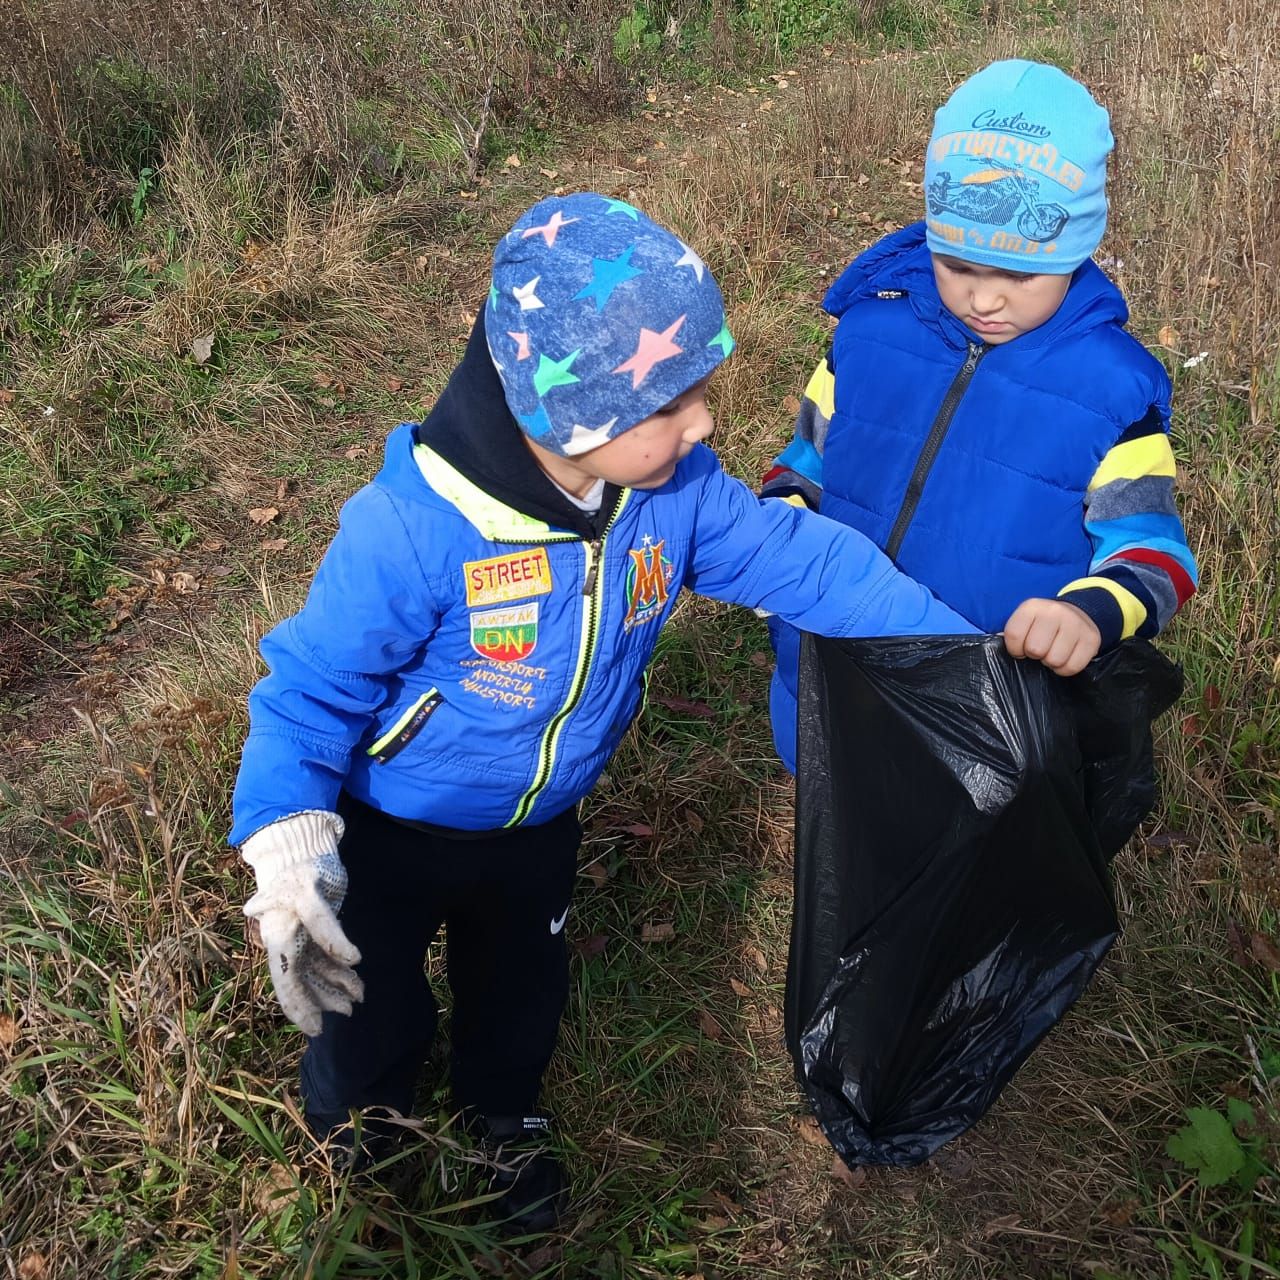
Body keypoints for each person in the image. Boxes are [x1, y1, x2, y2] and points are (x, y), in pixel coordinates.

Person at [229, 192, 974, 1233]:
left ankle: (501, 1118)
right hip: (393, 824)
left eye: (698, 393)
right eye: (666, 407)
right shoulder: (413, 528)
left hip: (539, 821)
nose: (702, 422)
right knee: (371, 1001)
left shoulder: (671, 494)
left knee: (520, 983)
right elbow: (307, 689)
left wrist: (944, 642)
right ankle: (363, 1131)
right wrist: (287, 841)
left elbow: (793, 557)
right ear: (560, 417)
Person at [763, 60, 1198, 771]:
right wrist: (781, 519)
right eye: (958, 265)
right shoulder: (868, 337)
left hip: (981, 713)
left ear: (1077, 248)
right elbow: (803, 464)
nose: (984, 300)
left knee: (960, 870)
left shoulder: (1110, 392)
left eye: (1020, 276)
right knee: (845, 841)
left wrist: (1086, 614)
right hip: (828, 669)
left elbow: (1156, 558)